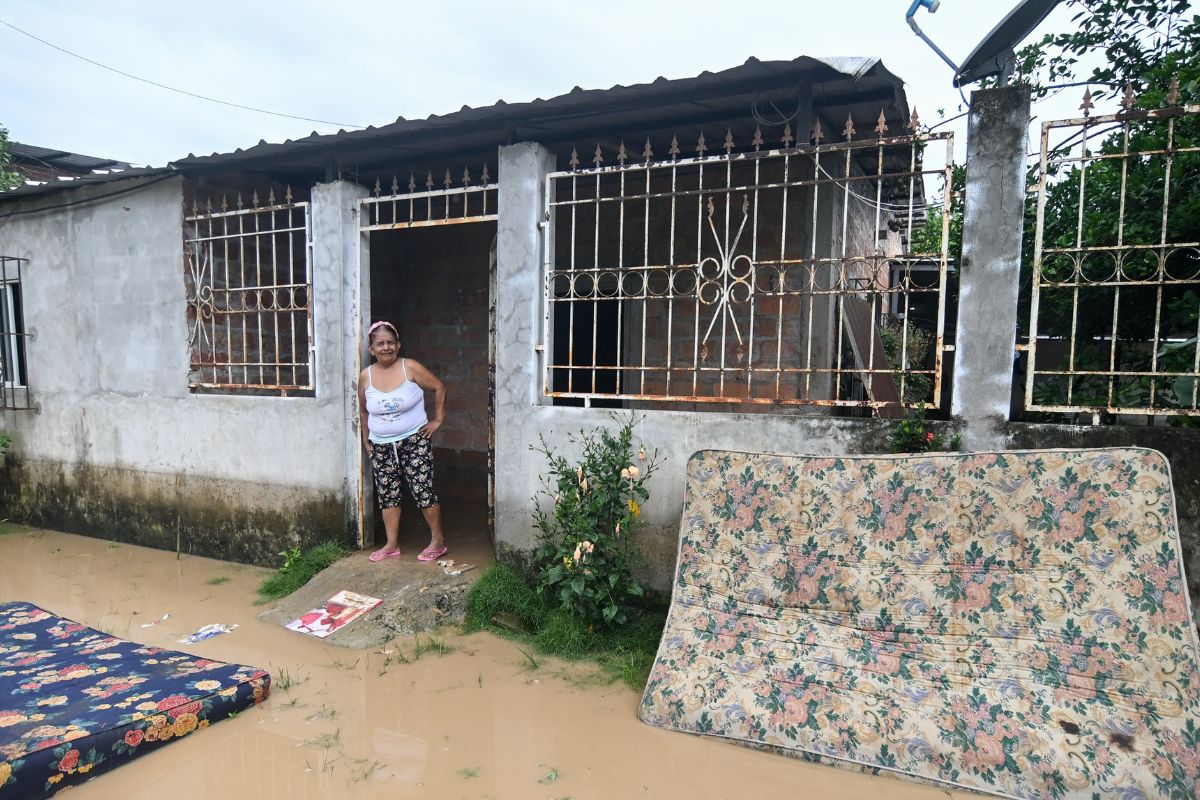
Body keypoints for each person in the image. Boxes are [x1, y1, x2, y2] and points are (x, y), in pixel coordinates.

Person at [358, 320, 448, 563]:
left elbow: (439, 387)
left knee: (423, 489)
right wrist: (366, 438)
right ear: (371, 350)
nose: (386, 347)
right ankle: (391, 544)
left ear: (398, 345)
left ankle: (437, 541)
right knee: (388, 494)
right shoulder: (365, 376)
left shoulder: (411, 368)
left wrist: (437, 420)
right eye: (380, 344)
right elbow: (364, 411)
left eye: (390, 342)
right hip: (381, 444)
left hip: (414, 440)